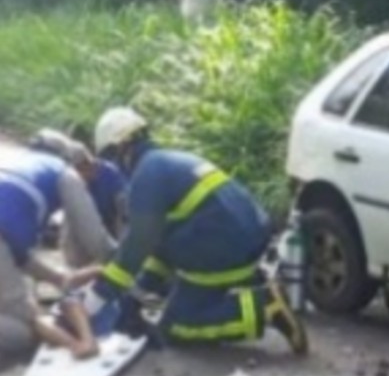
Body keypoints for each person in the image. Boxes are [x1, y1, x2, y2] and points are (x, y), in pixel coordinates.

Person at [81, 107, 308, 355]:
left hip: (226, 249)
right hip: (241, 240)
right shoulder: (168, 162)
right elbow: (161, 244)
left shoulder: (147, 176)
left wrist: (99, 296)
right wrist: (140, 290)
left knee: (176, 327)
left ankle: (264, 307)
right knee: (176, 295)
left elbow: (138, 243)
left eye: (111, 157)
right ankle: (252, 286)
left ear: (122, 148)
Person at [0, 149, 109, 359]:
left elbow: (20, 258)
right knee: (23, 332)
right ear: (83, 165)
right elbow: (95, 239)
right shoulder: (67, 174)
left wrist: (60, 279)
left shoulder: (26, 166)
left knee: (20, 302)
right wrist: (77, 344)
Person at [29, 128, 126, 267]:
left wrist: (122, 249)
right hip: (77, 227)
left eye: (77, 171)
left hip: (110, 224)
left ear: (87, 164)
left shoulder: (112, 176)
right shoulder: (68, 181)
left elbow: (124, 213)